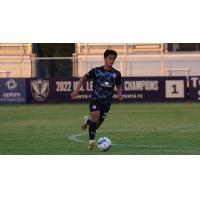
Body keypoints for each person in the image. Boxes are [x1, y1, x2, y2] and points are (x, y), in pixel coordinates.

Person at [71, 49, 123, 150]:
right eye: (110, 58)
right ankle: (91, 141)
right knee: (95, 118)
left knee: (95, 125)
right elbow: (83, 78)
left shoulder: (116, 74)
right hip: (96, 99)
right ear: (105, 59)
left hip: (107, 104)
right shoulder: (96, 71)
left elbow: (119, 85)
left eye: (113, 59)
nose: (111, 61)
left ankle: (87, 121)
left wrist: (119, 94)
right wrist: (77, 90)